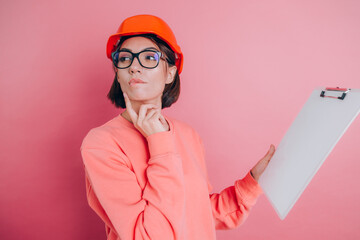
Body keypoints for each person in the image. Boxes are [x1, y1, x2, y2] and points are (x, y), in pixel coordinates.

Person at [80, 14, 276, 240]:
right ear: (118, 71)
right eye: (125, 58)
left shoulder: (188, 135)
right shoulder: (102, 144)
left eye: (149, 57)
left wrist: (253, 182)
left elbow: (199, 214)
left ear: (170, 73)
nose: (134, 67)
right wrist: (160, 145)